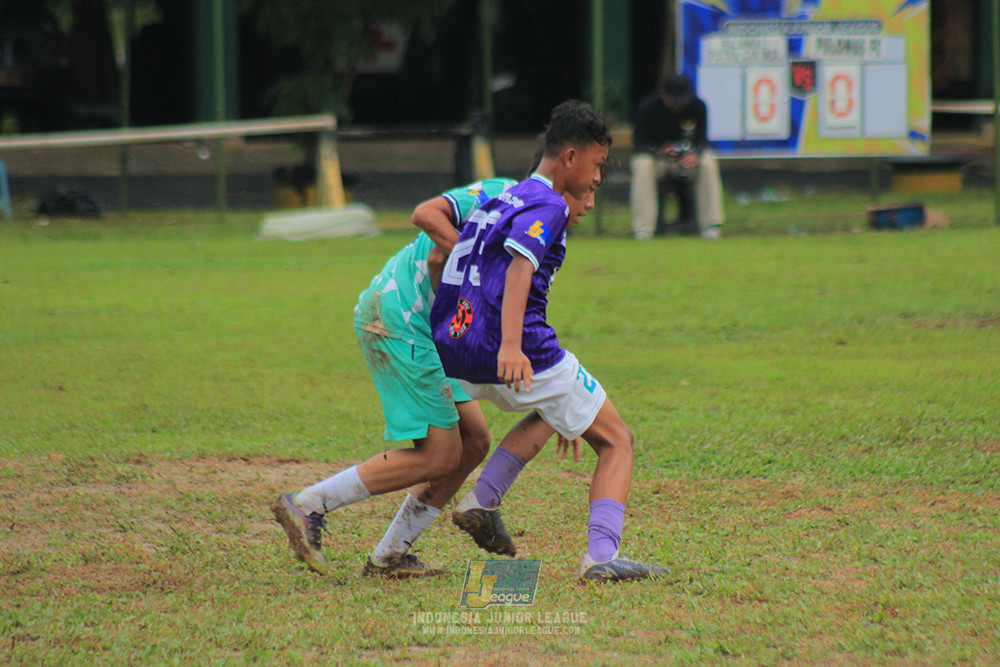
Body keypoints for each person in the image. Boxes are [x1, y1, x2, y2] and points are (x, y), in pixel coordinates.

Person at [271, 174, 588, 579]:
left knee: (474, 440)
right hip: (401, 315)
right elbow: (427, 217)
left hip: (437, 330)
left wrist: (557, 399)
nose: (592, 199)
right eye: (591, 184)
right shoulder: (503, 194)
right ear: (568, 167)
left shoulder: (534, 232)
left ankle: (389, 558)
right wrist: (471, 266)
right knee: (441, 455)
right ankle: (309, 503)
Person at [431, 102, 668, 582]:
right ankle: (601, 557)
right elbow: (521, 267)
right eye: (598, 165)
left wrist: (466, 333)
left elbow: (443, 260)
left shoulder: (505, 196)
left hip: (457, 345)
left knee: (552, 409)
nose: (598, 177)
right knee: (618, 440)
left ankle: (484, 498)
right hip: (517, 348)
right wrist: (511, 346)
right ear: (571, 157)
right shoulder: (550, 203)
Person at [630, 72, 724, 239]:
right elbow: (639, 143)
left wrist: (695, 154)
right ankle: (643, 229)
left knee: (708, 163)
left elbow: (702, 140)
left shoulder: (697, 107)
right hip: (658, 161)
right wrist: (660, 151)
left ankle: (710, 226)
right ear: (663, 94)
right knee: (642, 164)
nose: (678, 105)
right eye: (674, 100)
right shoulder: (648, 108)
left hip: (686, 162)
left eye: (681, 100)